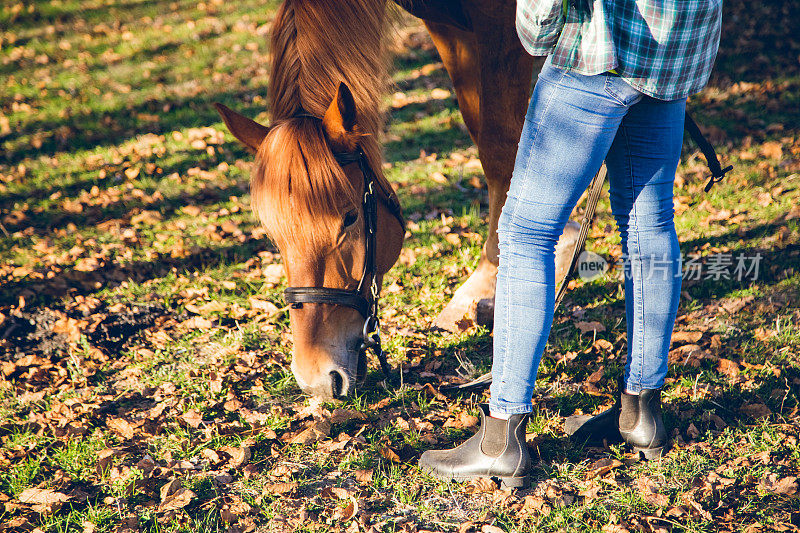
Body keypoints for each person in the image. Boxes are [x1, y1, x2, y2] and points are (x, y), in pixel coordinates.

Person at [419, 0, 723, 488]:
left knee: (524, 233)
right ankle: (640, 414)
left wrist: (537, 28)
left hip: (598, 57)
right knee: (650, 224)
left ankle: (500, 439)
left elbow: (537, 28)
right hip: (671, 54)